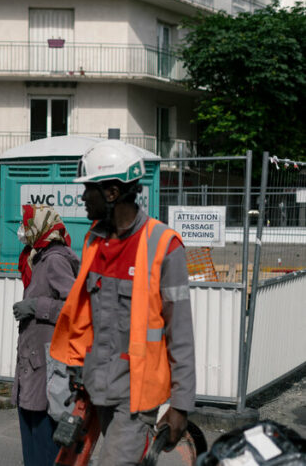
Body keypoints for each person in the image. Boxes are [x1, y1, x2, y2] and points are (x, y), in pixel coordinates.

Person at [50, 140, 196, 465]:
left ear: (112, 193)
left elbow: (181, 332)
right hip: (94, 387)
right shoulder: (94, 240)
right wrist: (76, 373)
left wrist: (181, 405)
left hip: (135, 397)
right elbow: (87, 315)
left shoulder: (164, 246)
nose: (83, 197)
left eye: (89, 189)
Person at [12, 204, 78, 466]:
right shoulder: (37, 256)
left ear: (41, 227)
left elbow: (77, 308)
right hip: (34, 360)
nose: (22, 230)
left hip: (47, 363)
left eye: (27, 224)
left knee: (42, 440)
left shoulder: (55, 260)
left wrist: (35, 307)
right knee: (31, 433)